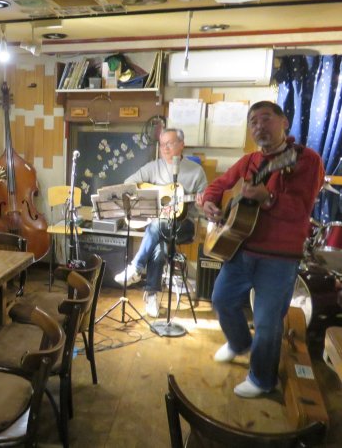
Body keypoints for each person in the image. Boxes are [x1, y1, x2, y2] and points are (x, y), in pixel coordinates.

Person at [201, 101, 324, 398]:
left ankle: (262, 379)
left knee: (267, 323)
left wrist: (268, 198)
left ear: (284, 122)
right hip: (240, 249)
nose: (259, 126)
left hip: (279, 259)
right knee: (221, 299)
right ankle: (239, 343)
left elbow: (300, 209)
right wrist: (209, 201)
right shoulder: (250, 160)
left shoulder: (306, 160)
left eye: (266, 118)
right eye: (253, 122)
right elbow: (219, 184)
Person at [113, 128, 208, 317]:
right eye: (162, 144)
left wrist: (201, 203)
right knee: (159, 249)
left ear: (182, 144)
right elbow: (128, 183)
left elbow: (204, 208)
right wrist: (152, 195)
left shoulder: (196, 172)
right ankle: (152, 294)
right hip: (159, 226)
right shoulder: (153, 167)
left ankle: (136, 268)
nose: (165, 148)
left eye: (170, 143)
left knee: (156, 226)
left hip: (184, 225)